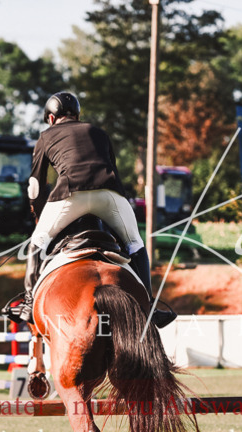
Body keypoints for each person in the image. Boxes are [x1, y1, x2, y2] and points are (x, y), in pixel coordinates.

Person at [15, 91, 175, 328]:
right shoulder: (99, 133)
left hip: (70, 196)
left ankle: (29, 303)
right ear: (77, 115)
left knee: (37, 242)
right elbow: (112, 168)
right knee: (135, 244)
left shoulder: (46, 136)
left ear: (50, 118)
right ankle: (149, 307)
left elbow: (36, 185)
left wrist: (39, 216)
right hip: (108, 194)